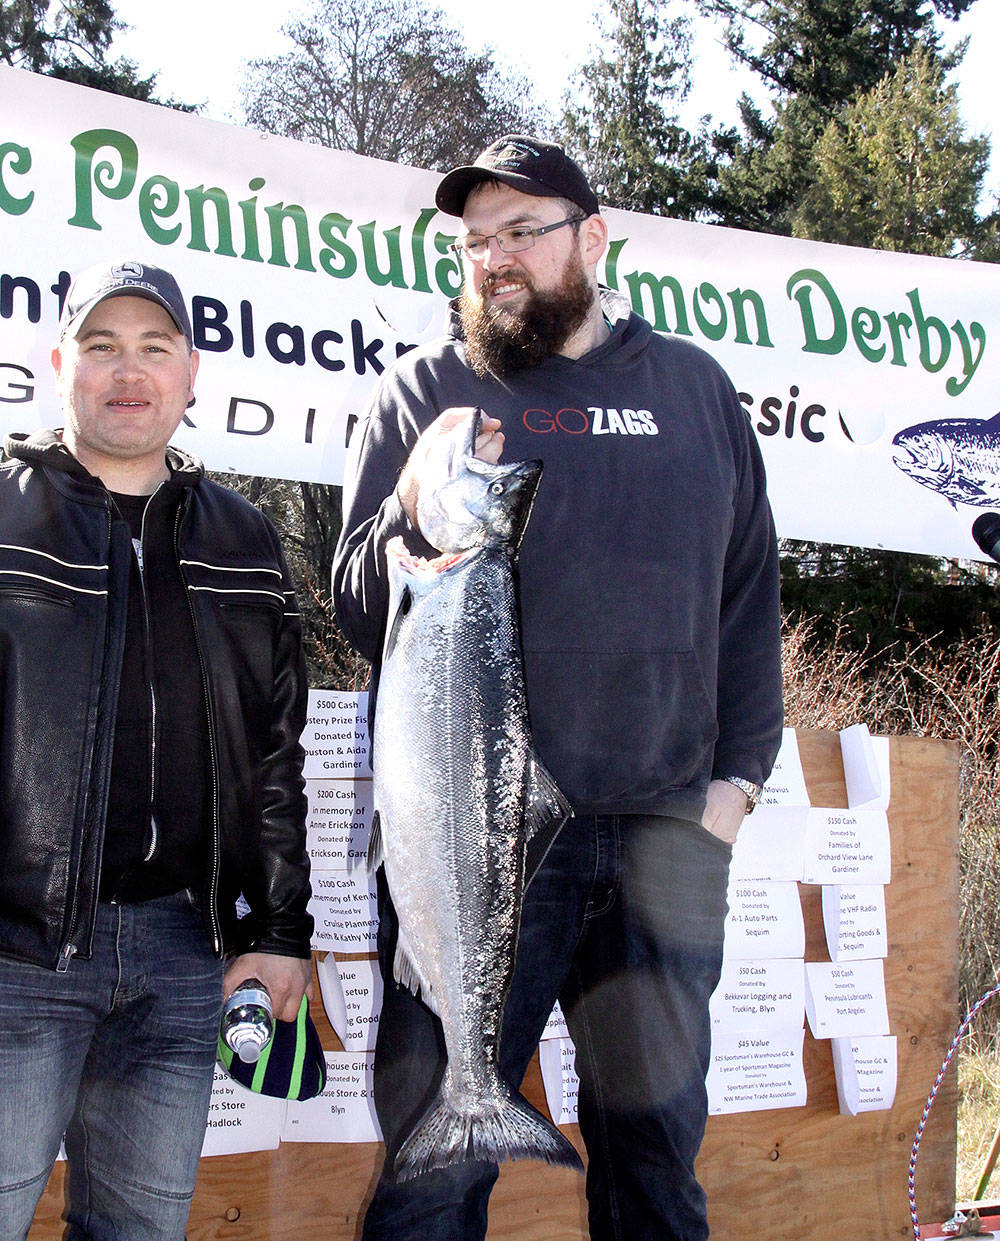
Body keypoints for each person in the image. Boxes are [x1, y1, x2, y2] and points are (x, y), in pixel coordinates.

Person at [332, 136, 783, 1241]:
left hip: (661, 841)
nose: (492, 258)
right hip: (470, 845)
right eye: (473, 241)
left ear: (590, 237)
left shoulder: (692, 390)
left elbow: (745, 604)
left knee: (654, 1157)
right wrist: (405, 503)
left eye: (518, 232)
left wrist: (732, 790)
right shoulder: (423, 391)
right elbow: (353, 607)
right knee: (430, 1174)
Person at [0, 259, 314, 1241]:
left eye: (153, 347)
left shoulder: (245, 539)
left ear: (191, 373)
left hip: (188, 952)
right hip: (8, 952)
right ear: (59, 366)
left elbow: (270, 756)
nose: (127, 371)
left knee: (138, 1229)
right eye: (101, 347)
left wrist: (276, 927)